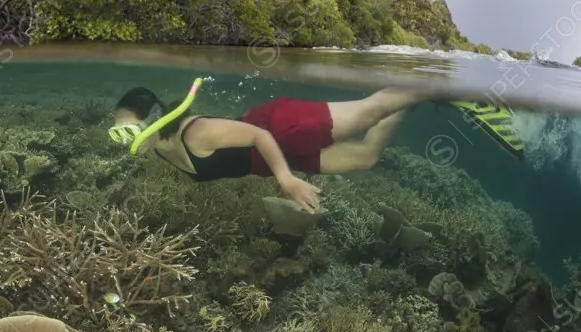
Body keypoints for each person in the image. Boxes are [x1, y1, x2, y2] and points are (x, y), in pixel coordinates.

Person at [108, 78, 431, 212]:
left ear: (151, 119)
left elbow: (258, 136)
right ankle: (405, 102)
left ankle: (434, 86)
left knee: (368, 112)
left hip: (278, 129)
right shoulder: (162, 148)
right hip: (272, 158)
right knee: (366, 157)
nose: (123, 138)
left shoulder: (197, 133)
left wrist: (286, 180)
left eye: (127, 129)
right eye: (117, 131)